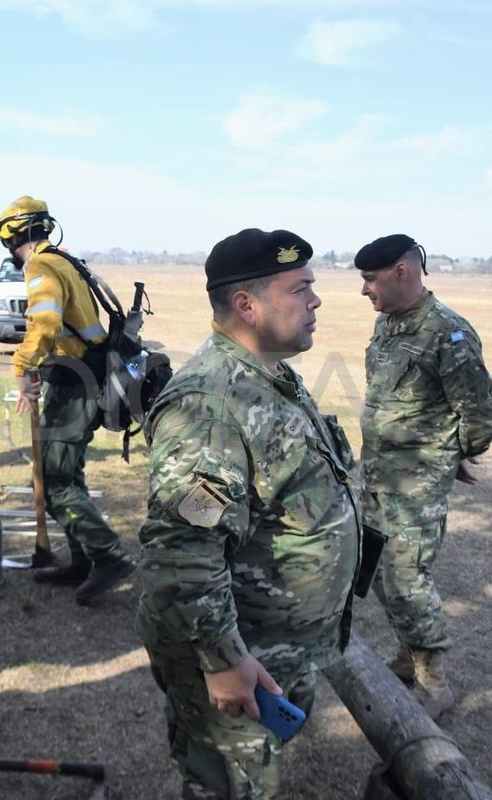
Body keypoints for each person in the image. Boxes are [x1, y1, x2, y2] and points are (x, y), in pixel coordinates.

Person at [136, 228, 360, 799]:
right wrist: (223, 660)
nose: (316, 301)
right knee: (230, 786)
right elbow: (183, 552)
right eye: (300, 289)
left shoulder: (270, 377)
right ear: (247, 304)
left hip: (278, 648)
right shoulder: (211, 403)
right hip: (239, 650)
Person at [356, 233, 492, 718]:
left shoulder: (448, 332)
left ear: (402, 272)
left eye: (370, 279)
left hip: (416, 485)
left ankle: (433, 681)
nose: (364, 290)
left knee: (406, 579)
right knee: (377, 573)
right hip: (378, 477)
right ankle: (406, 655)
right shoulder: (389, 326)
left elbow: (479, 414)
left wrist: (450, 452)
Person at [0, 195, 137, 605]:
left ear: (10, 234)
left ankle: (108, 556)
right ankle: (81, 562)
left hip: (76, 384)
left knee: (55, 481)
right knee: (67, 474)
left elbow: (45, 322)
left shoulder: (41, 265)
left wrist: (22, 368)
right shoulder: (63, 260)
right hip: (83, 377)